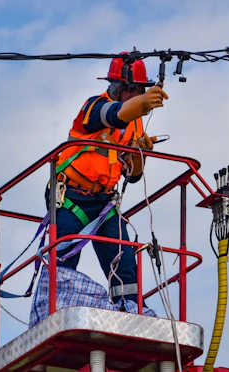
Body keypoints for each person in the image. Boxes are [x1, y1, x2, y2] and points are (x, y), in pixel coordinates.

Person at [46, 53, 168, 309]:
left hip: (104, 202)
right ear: (119, 87)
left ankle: (130, 309)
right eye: (132, 89)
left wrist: (140, 155)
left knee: (122, 258)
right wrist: (142, 104)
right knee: (63, 255)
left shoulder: (134, 127)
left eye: (140, 90)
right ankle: (55, 309)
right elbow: (112, 114)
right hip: (71, 197)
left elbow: (133, 177)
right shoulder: (92, 108)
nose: (135, 93)